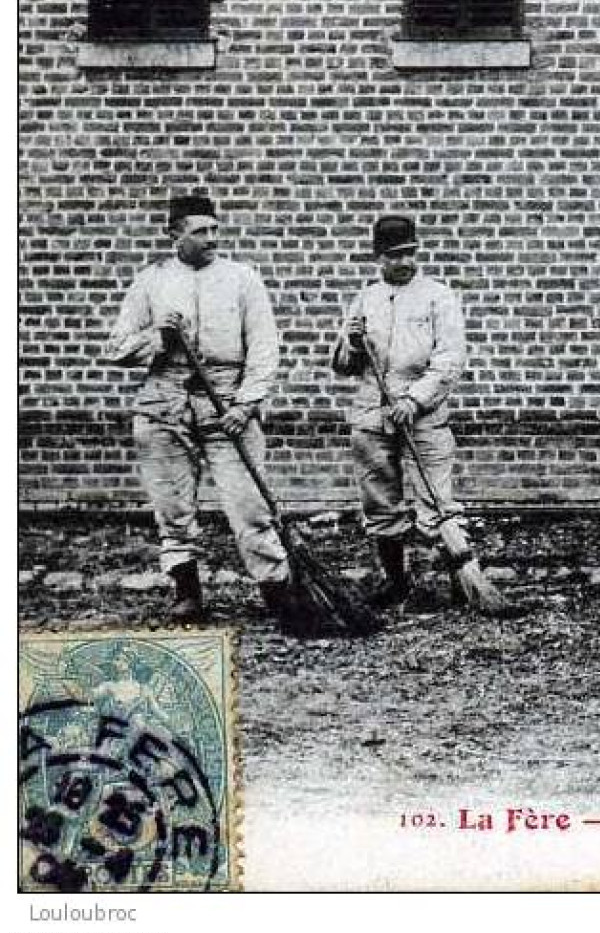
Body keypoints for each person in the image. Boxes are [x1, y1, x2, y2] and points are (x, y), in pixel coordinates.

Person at [104, 194, 295, 624]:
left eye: (215, 229)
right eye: (200, 231)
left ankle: (279, 592)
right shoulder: (151, 281)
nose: (212, 239)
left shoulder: (242, 278)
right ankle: (186, 591)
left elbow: (265, 347)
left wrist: (245, 404)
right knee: (172, 506)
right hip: (164, 401)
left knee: (249, 505)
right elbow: (116, 349)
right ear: (175, 234)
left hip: (226, 401)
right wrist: (157, 335)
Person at [330, 215, 469, 607]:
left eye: (410, 253)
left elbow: (450, 360)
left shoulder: (438, 297)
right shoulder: (366, 299)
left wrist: (415, 400)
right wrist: (353, 345)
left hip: (423, 414)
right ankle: (395, 582)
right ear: (379, 257)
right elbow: (342, 366)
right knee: (379, 499)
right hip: (372, 413)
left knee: (437, 498)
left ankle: (462, 578)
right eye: (395, 256)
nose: (405, 262)